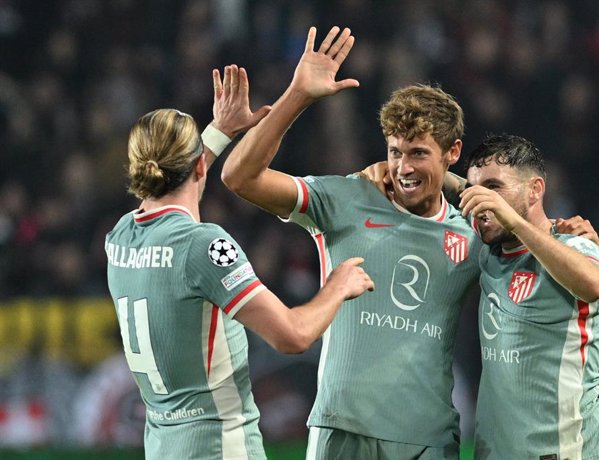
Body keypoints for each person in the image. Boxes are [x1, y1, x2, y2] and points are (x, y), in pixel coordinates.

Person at [222, 26, 480, 459]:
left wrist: (567, 232)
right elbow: (239, 177)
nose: (403, 167)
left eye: (418, 153)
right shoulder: (344, 199)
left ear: (452, 151)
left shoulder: (472, 236)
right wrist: (298, 96)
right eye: (395, 152)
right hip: (340, 428)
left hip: (427, 440)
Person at [105, 64, 374, 460]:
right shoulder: (203, 245)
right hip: (221, 447)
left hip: (163, 447)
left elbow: (173, 182)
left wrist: (219, 132)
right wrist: (337, 286)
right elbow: (292, 335)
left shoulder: (121, 237)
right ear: (198, 166)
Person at [458, 133, 599, 459]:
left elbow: (593, 283)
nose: (482, 202)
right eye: (474, 190)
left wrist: (515, 222)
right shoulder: (487, 253)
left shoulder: (575, 245)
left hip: (571, 451)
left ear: (535, 190)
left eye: (494, 188)